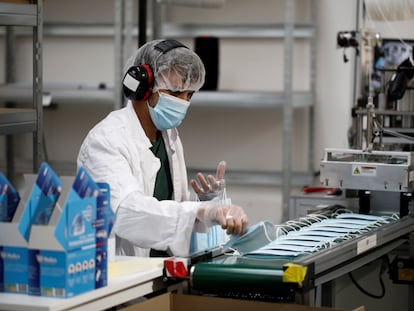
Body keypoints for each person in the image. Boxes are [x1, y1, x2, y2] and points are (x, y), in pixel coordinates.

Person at [77, 39, 249, 257]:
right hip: (120, 276)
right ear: (142, 86)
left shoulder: (169, 137)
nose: (183, 103)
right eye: (176, 93)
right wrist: (200, 212)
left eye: (189, 95)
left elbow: (174, 213)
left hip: (161, 270)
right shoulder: (106, 141)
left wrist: (206, 204)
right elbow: (127, 212)